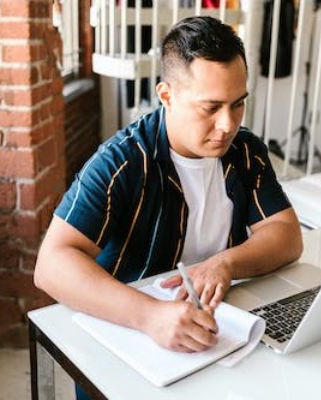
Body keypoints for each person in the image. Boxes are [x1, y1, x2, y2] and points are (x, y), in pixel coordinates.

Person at [34, 16, 302, 395]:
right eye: (211, 107)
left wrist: (225, 263)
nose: (228, 124)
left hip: (214, 342)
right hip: (129, 346)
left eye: (238, 104)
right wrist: (149, 316)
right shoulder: (122, 161)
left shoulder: (245, 150)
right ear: (166, 96)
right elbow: (51, 266)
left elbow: (286, 234)